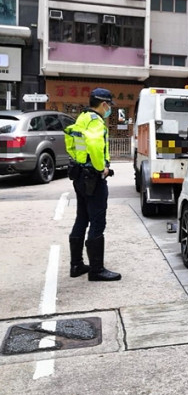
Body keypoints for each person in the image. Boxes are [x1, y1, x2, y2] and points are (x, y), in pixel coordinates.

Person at [64, 88, 121, 282]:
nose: (109, 110)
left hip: (79, 175)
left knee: (82, 218)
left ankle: (76, 265)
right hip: (94, 178)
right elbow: (96, 144)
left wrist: (79, 161)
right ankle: (96, 270)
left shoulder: (82, 118)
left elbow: (70, 140)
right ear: (104, 104)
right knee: (98, 221)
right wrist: (101, 168)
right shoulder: (96, 121)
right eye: (109, 106)